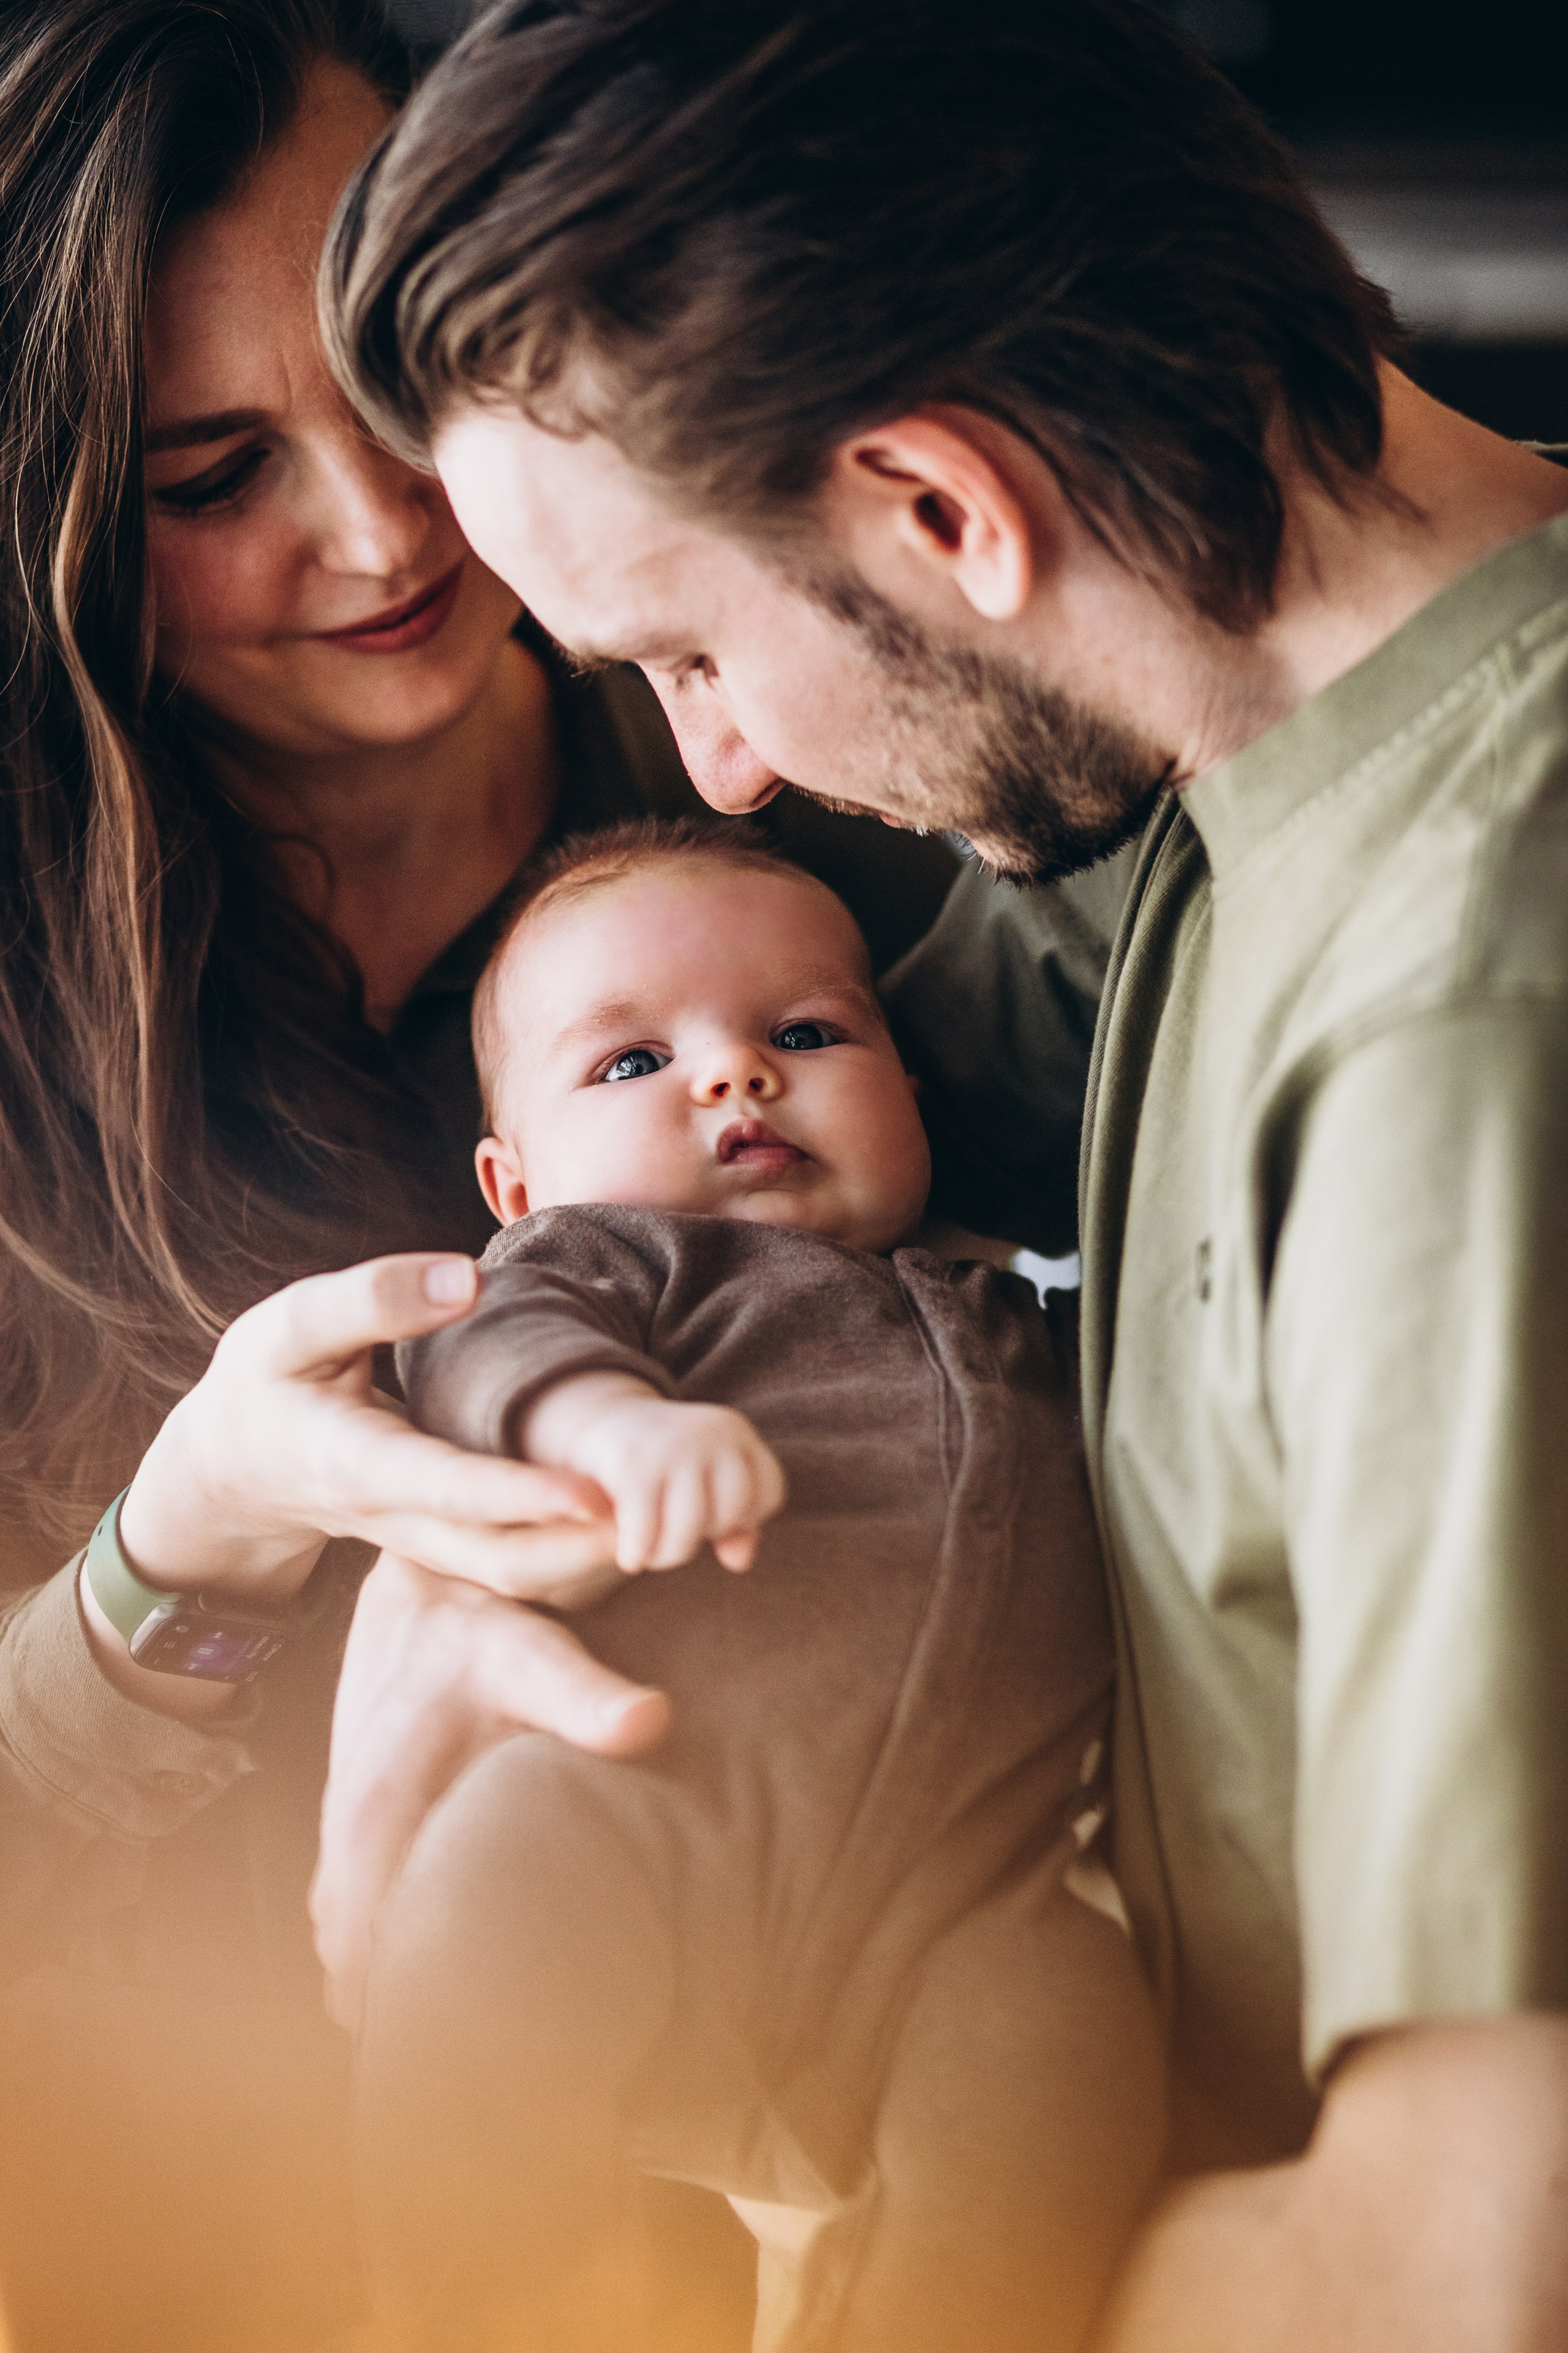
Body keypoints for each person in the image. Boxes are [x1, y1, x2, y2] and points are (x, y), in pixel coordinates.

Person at [321, 0, 1568, 2345]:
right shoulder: (1235, 766)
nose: (729, 767)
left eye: (688, 652)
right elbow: (674, 1202)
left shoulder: (1467, 1028)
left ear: (940, 508)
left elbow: (1462, 2270)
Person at [0, 2, 952, 2341]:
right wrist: (180, 1551)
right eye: (215, 475)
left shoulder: (837, 775)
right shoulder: (31, 1019)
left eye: (404, 377)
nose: (384, 523)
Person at [364, 815, 1161, 2353]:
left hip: (961, 1907)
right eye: (628, 1063)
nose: (732, 1075)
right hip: (639, 1821)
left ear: (911, 1093)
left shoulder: (1017, 1299)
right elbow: (472, 1344)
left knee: (1075, 2048)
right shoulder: (605, 1273)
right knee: (480, 1906)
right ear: (510, 1177)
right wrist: (607, 1420)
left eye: (805, 1031)